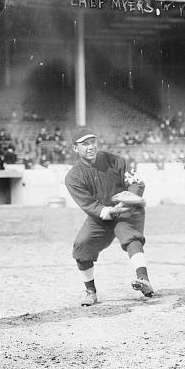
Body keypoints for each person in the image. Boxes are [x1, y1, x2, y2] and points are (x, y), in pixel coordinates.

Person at [64, 130, 153, 307]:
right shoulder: (73, 177)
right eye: (85, 144)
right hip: (100, 216)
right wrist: (109, 211)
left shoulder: (114, 160)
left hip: (126, 209)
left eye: (92, 142)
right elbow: (89, 205)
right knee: (81, 246)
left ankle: (143, 280)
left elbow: (135, 181)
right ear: (75, 148)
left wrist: (130, 198)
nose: (90, 147)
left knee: (129, 236)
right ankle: (91, 292)